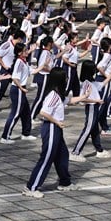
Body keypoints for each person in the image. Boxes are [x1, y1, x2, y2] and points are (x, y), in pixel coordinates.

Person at [22, 67, 89, 197]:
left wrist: (84, 96)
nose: (67, 79)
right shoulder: (52, 95)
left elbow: (69, 101)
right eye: (65, 78)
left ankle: (65, 182)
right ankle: (31, 187)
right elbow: (43, 113)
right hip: (51, 128)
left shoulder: (58, 94)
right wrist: (57, 122)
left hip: (57, 129)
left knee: (62, 155)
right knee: (47, 157)